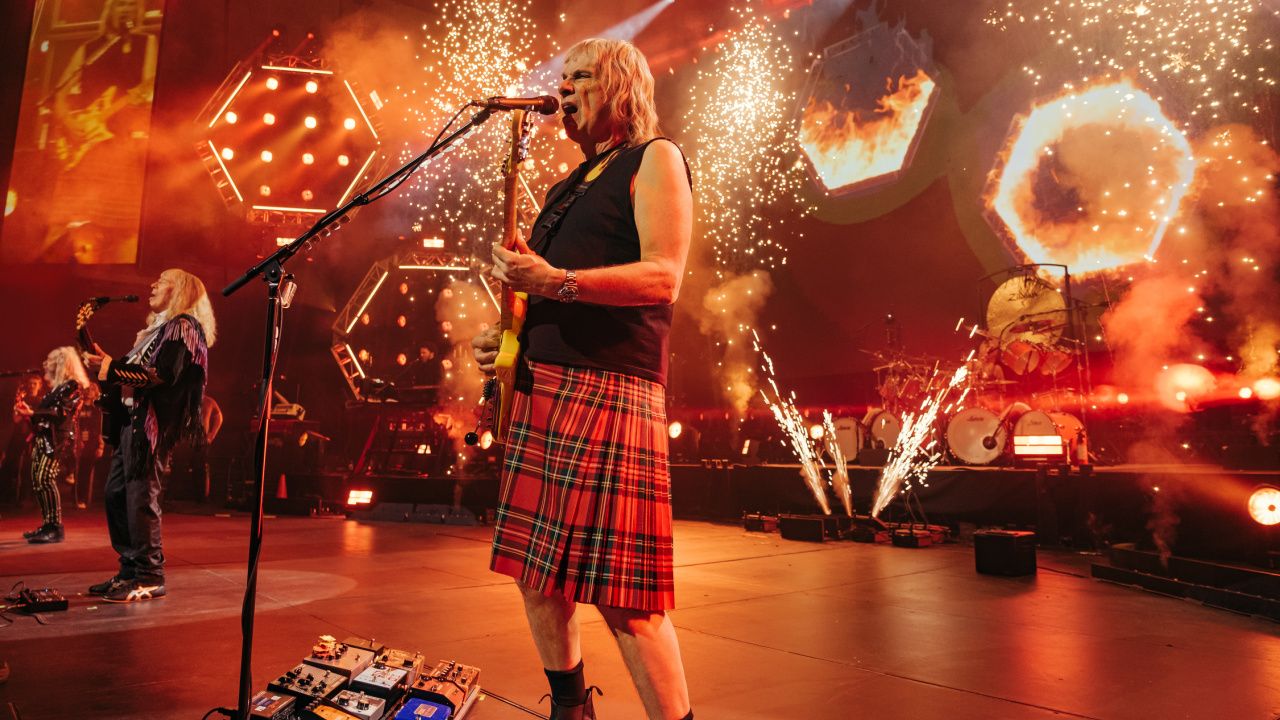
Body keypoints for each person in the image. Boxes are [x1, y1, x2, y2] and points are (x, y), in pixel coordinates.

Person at [471, 38, 693, 720]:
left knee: (627, 599)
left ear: (621, 87)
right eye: (560, 79)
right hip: (546, 387)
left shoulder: (655, 158)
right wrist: (506, 338)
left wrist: (555, 282)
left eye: (580, 78)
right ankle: (572, 709)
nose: (562, 90)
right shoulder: (570, 186)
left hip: (609, 389)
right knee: (537, 576)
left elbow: (664, 275)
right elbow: (543, 291)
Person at [83, 269, 215, 602]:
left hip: (151, 426)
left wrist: (111, 367)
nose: (153, 285)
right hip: (133, 422)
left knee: (141, 498)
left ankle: (150, 574)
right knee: (117, 494)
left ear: (181, 290)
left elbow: (161, 375)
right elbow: (128, 370)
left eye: (162, 281)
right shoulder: (157, 332)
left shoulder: (182, 326)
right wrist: (106, 364)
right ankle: (129, 570)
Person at [19, 348, 90, 543]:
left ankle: (55, 527)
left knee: (46, 479)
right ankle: (48, 524)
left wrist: (33, 413)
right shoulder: (57, 388)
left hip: (58, 441)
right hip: (46, 438)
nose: (47, 366)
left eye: (52, 363)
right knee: (39, 480)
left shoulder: (73, 386)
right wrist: (30, 413)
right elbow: (47, 413)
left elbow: (60, 413)